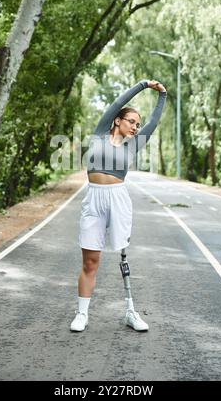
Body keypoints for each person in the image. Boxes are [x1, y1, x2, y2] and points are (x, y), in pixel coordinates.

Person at [70, 79, 167, 332]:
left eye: (137, 123)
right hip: (94, 198)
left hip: (118, 198)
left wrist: (162, 96)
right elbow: (117, 103)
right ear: (117, 120)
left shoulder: (133, 145)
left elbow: (154, 123)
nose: (135, 126)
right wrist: (143, 85)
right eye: (131, 121)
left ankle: (130, 312)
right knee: (90, 261)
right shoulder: (101, 132)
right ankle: (82, 314)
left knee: (123, 256)